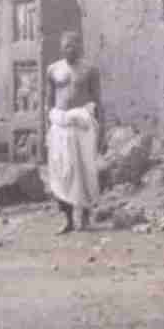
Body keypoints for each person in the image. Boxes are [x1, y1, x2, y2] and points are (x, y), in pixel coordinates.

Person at [45, 31, 102, 234]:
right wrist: (47, 132)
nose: (71, 48)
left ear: (81, 46)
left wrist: (100, 131)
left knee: (85, 171)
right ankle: (68, 219)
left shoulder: (90, 70)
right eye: (67, 45)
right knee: (63, 173)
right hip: (60, 126)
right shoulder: (52, 70)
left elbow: (98, 102)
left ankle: (85, 216)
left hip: (83, 127)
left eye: (74, 45)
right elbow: (48, 103)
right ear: (61, 48)